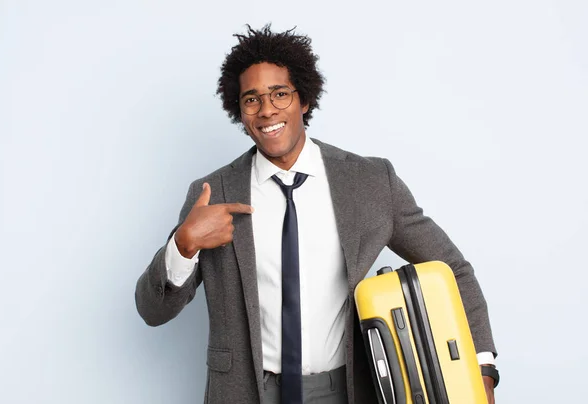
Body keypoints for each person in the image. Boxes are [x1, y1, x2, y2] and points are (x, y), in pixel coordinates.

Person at [135, 25, 498, 404]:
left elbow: (453, 269)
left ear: (304, 99)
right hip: (245, 392)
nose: (267, 111)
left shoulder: (370, 182)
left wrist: (481, 370)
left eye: (280, 94)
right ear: (239, 111)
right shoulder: (213, 193)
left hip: (346, 390)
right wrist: (184, 244)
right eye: (252, 100)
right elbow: (153, 311)